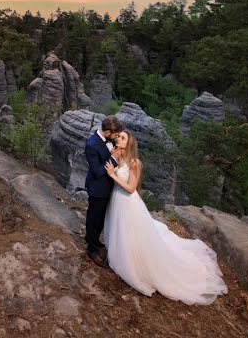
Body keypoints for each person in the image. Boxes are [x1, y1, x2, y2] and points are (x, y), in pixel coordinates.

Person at [103, 131, 228, 305]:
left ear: (130, 143)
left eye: (122, 138)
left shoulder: (134, 162)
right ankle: (120, 254)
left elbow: (131, 188)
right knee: (121, 230)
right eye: (119, 137)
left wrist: (112, 175)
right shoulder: (121, 158)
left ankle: (135, 265)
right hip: (117, 200)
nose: (118, 139)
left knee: (131, 232)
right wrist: (113, 158)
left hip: (128, 202)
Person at [83, 115, 123, 267]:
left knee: (100, 218)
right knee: (94, 218)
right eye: (115, 135)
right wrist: (113, 158)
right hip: (97, 187)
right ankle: (92, 250)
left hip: (108, 187)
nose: (117, 138)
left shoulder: (109, 139)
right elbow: (98, 171)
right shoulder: (91, 144)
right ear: (107, 132)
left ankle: (93, 239)